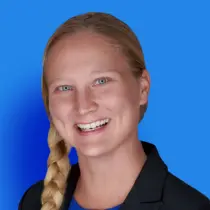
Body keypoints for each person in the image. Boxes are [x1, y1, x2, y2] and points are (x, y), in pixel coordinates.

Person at [19, 12, 210, 210]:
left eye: (101, 81)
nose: (83, 106)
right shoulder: (33, 202)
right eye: (65, 88)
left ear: (142, 88)